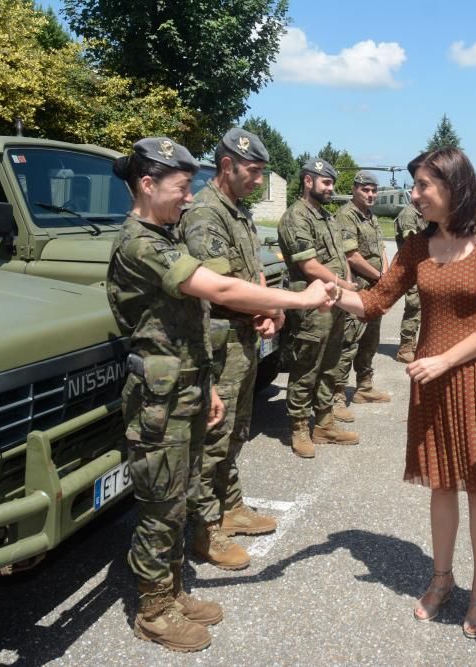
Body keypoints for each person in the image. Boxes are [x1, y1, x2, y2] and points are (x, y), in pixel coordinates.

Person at [107, 137, 333, 652]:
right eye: (181, 187)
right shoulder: (139, 244)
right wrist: (298, 298)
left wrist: (207, 384)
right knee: (160, 505)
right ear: (148, 184)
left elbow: (191, 325)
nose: (188, 198)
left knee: (180, 492)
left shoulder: (161, 235)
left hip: (186, 386)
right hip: (159, 400)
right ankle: (153, 608)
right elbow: (222, 291)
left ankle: (172, 591)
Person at [334, 148, 476, 639]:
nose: (413, 195)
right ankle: (441, 579)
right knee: (440, 482)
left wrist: (443, 359)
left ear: (453, 188)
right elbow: (374, 302)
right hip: (432, 382)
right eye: (414, 185)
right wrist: (330, 293)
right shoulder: (416, 246)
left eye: (422, 186)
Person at [180, 128, 279, 572]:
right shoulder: (204, 214)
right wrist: (268, 306)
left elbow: (251, 272)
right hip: (217, 341)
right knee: (213, 437)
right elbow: (220, 287)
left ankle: (231, 504)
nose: (258, 181)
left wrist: (265, 307)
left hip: (243, 336)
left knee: (237, 429)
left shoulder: (237, 211)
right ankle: (204, 530)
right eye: (253, 172)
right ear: (227, 165)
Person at [278, 158, 360, 458]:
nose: (331, 188)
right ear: (308, 181)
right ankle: (299, 425)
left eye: (332, 182)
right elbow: (308, 264)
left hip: (335, 301)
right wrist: (344, 284)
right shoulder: (295, 217)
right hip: (312, 305)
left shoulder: (326, 217)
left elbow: (341, 256)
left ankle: (324, 423)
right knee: (307, 365)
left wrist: (345, 285)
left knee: (330, 364)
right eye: (326, 182)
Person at [331, 169, 392, 418]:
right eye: (365, 189)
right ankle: (336, 395)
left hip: (374, 289)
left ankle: (364, 386)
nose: (370, 194)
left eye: (373, 190)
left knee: (371, 339)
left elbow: (380, 249)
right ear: (355, 190)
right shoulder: (347, 216)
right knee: (349, 341)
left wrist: (385, 274)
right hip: (357, 290)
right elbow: (351, 255)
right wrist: (379, 277)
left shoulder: (370, 216)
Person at [392, 198, 427, 363]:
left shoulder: (424, 213)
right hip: (410, 267)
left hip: (423, 267)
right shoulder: (409, 213)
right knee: (414, 307)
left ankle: (412, 344)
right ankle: (405, 348)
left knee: (420, 308)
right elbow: (411, 239)